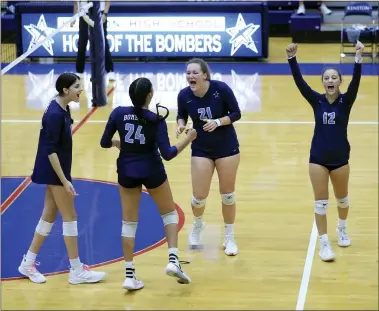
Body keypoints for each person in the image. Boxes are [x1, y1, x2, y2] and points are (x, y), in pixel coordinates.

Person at [100, 77, 197, 291]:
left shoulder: (118, 113)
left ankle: (129, 274)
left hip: (127, 170)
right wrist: (188, 139)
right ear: (150, 96)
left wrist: (120, 143)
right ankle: (173, 260)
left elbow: (104, 142)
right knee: (169, 214)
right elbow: (168, 154)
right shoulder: (156, 120)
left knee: (129, 223)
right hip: (152, 169)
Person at [18, 73, 107, 284]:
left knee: (49, 215)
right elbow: (50, 151)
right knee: (71, 217)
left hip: (57, 169)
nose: (81, 90)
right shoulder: (55, 115)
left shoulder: (62, 107)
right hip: (53, 170)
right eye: (77, 86)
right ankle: (76, 270)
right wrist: (64, 180)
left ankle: (27, 262)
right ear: (66, 90)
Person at [286, 41, 364, 261]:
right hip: (318, 158)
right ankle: (324, 243)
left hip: (340, 159)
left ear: (340, 81)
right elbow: (300, 83)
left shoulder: (346, 101)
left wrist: (358, 57)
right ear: (323, 83)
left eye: (334, 77)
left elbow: (356, 82)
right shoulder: (317, 100)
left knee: (342, 200)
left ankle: (342, 227)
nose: (330, 80)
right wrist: (292, 60)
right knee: (320, 203)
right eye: (326, 78)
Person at [176, 58, 241, 256]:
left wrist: (218, 122)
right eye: (188, 73)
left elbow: (236, 113)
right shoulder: (184, 95)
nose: (190, 76)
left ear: (205, 75)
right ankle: (198, 224)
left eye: (195, 72)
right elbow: (181, 115)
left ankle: (229, 237)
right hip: (201, 148)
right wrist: (180, 125)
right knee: (198, 198)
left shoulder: (220, 89)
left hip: (227, 147)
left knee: (228, 195)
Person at [71, 0, 115, 81]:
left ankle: (110, 71)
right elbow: (76, 3)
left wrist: (105, 14)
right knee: (82, 42)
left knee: (103, 42)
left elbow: (108, 1)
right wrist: (74, 17)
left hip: (99, 14)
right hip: (84, 14)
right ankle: (79, 72)